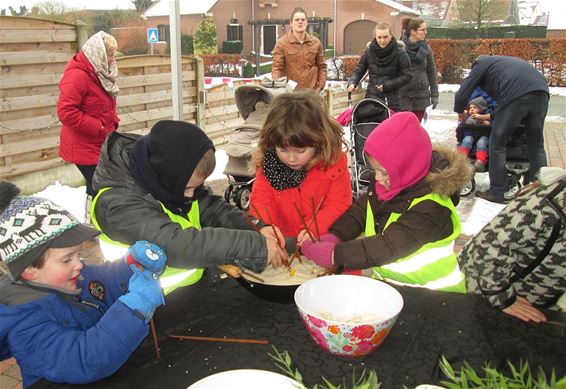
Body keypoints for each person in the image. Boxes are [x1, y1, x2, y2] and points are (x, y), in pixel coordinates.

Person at [0, 181, 166, 387]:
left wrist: (130, 265)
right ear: (29, 270)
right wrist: (134, 309)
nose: (79, 263)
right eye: (67, 259)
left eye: (78, 253)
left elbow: (106, 279)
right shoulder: (25, 325)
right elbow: (85, 360)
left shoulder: (73, 275)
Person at [91, 120, 287, 288]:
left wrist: (255, 227)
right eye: (186, 188)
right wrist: (253, 246)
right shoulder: (116, 204)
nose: (192, 195)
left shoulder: (164, 179)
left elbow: (211, 208)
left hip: (189, 294)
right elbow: (176, 244)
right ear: (164, 177)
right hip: (142, 306)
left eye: (197, 186)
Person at [301, 112, 474, 293]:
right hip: (392, 286)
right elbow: (361, 211)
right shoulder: (392, 183)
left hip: (434, 295)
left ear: (408, 167)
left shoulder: (431, 208)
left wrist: (336, 254)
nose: (377, 178)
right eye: (375, 170)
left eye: (383, 172)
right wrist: (337, 234)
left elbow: (387, 246)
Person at [458, 167, 565, 323]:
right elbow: (490, 245)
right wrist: (502, 297)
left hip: (536, 305)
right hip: (486, 292)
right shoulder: (547, 204)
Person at [249, 91, 352, 246]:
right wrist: (267, 226)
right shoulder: (268, 164)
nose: (291, 158)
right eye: (283, 150)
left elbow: (339, 203)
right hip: (284, 241)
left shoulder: (333, 162)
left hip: (323, 240)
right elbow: (262, 199)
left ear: (319, 140)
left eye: (300, 151)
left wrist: (315, 228)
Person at [454, 55, 550, 204]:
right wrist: (489, 116)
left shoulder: (482, 63)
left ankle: (497, 192)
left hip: (517, 96)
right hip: (542, 93)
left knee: (497, 144)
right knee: (536, 145)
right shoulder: (505, 64)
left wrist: (460, 110)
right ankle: (539, 190)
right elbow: (504, 106)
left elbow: (463, 93)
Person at [58, 31, 120, 205]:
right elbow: (66, 112)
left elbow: (100, 106)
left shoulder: (98, 73)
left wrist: (111, 124)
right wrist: (98, 127)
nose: (112, 59)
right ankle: (98, 224)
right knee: (100, 187)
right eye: (109, 55)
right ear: (98, 53)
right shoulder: (78, 75)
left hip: (98, 143)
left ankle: (91, 223)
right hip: (83, 144)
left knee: (95, 186)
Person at [347, 22, 411, 112]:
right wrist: (353, 82)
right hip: (372, 97)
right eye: (379, 37)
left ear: (391, 36)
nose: (382, 40)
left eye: (385, 37)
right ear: (375, 37)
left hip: (394, 99)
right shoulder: (369, 52)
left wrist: (387, 85)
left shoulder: (400, 53)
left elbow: (407, 75)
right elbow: (359, 70)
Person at [271, 7, 327, 92]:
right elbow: (277, 68)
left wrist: (320, 87)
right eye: (297, 20)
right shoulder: (282, 43)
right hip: (291, 93)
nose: (300, 22)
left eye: (303, 19)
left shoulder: (316, 42)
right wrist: (279, 89)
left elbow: (322, 66)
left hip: (312, 93)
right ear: (291, 23)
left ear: (306, 23)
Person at [398, 17, 439, 122]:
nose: (426, 32)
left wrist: (434, 95)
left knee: (417, 129)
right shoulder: (399, 47)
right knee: (404, 129)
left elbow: (431, 72)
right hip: (403, 97)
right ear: (413, 31)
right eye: (423, 29)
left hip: (421, 97)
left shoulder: (427, 48)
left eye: (426, 29)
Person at [457, 96, 492, 172]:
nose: (472, 109)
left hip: (483, 135)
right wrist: (464, 116)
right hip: (470, 134)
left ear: (481, 108)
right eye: (470, 108)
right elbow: (463, 124)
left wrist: (482, 121)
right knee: (467, 141)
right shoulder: (468, 116)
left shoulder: (486, 116)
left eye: (475, 107)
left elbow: (489, 124)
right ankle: (461, 159)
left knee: (481, 143)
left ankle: (480, 161)